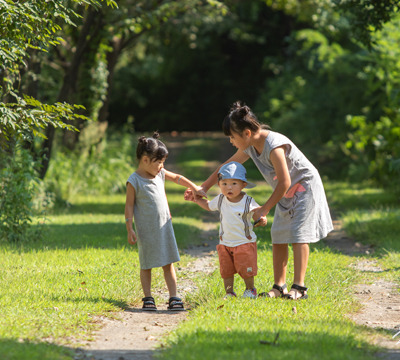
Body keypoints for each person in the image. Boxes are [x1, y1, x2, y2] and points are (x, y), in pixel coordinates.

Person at [186, 101, 333, 300]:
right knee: (279, 234)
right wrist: (203, 187)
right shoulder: (249, 146)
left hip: (305, 188)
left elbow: (285, 181)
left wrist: (264, 209)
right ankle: (279, 286)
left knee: (299, 235)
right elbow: (226, 167)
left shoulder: (273, 145)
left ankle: (299, 287)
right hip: (284, 192)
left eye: (232, 137)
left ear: (246, 133)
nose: (231, 142)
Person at [125, 132, 206, 311]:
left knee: (168, 262)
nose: (162, 166)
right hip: (146, 230)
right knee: (146, 264)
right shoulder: (134, 181)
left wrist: (194, 187)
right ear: (145, 160)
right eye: (159, 162)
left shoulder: (160, 174)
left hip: (164, 226)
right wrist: (129, 228)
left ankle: (174, 296)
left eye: (163, 162)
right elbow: (129, 206)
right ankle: (148, 297)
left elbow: (177, 177)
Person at [192, 161, 267, 298]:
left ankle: (250, 289)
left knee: (246, 269)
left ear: (243, 185)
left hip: (244, 242)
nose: (228, 188)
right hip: (225, 242)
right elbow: (208, 205)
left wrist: (262, 219)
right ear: (219, 185)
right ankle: (229, 292)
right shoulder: (220, 199)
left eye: (234, 183)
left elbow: (258, 211)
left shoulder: (247, 201)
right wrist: (197, 200)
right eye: (224, 184)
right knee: (226, 270)